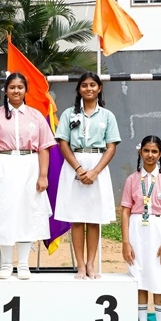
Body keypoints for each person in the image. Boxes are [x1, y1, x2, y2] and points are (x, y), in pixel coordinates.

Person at [0, 72, 55, 280]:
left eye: (20, 87)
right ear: (6, 90)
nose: (16, 91)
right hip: (3, 165)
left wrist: (43, 175)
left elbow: (44, 148)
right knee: (4, 213)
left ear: (25, 90)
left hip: (29, 165)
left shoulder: (36, 116)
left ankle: (23, 264)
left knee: (27, 213)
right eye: (12, 87)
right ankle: (6, 263)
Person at [54, 72, 121, 279]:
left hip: (97, 165)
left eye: (93, 85)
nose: (89, 88)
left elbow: (111, 147)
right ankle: (80, 265)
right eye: (84, 85)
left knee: (94, 218)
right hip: (74, 164)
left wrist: (95, 171)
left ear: (99, 88)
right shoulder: (69, 114)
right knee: (77, 218)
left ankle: (91, 263)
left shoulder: (107, 116)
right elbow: (63, 143)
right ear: (79, 89)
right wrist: (78, 169)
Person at [121, 135, 161, 321]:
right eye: (146, 150)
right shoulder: (132, 179)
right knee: (140, 275)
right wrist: (126, 242)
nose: (150, 155)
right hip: (137, 229)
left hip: (159, 228)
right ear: (140, 152)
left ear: (160, 154)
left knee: (159, 276)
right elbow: (125, 211)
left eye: (154, 151)